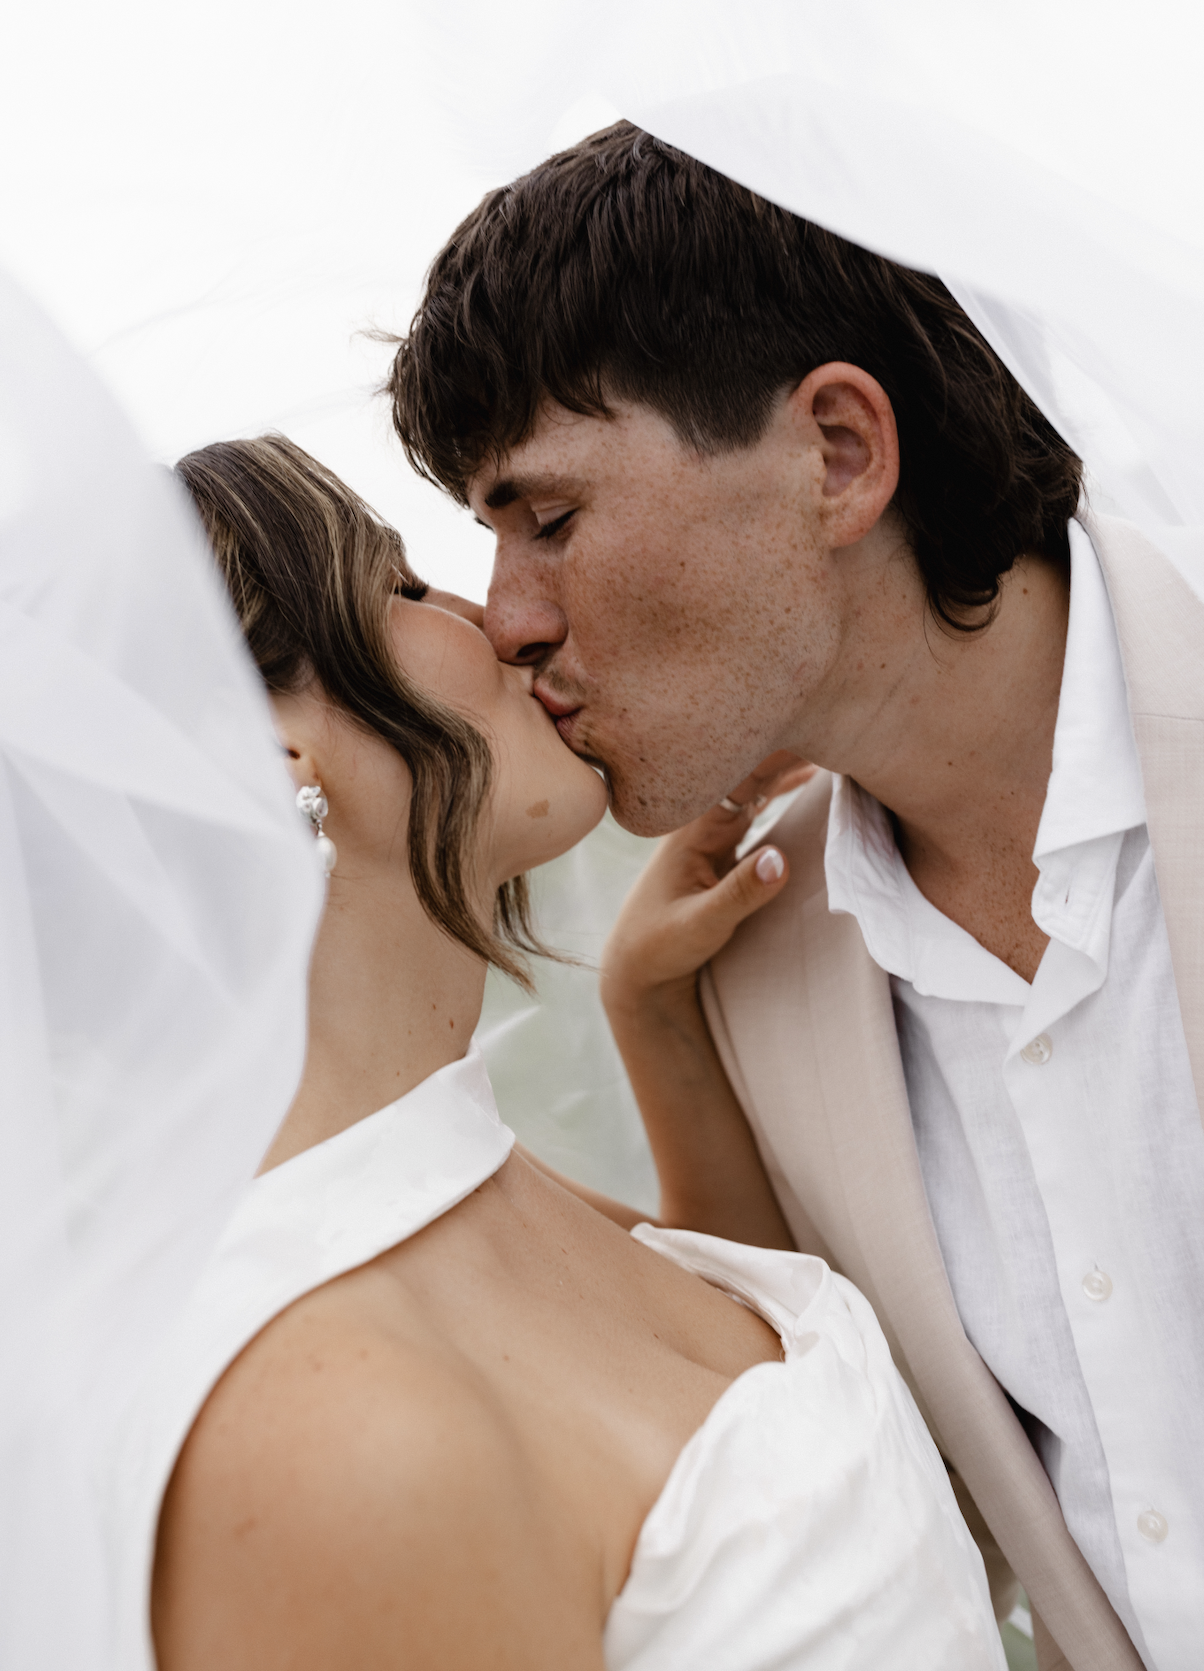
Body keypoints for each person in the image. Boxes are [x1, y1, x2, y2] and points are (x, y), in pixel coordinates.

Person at [387, 122, 1204, 1671]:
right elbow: (901, 1535)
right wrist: (659, 1026)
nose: (506, 622)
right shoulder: (763, 977)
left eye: (549, 520)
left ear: (836, 453)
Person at [117, 433, 1005, 1671]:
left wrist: (656, 1013)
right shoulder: (339, 1438)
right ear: (276, 764)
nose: (495, 619)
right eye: (400, 585)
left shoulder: (447, 1172)